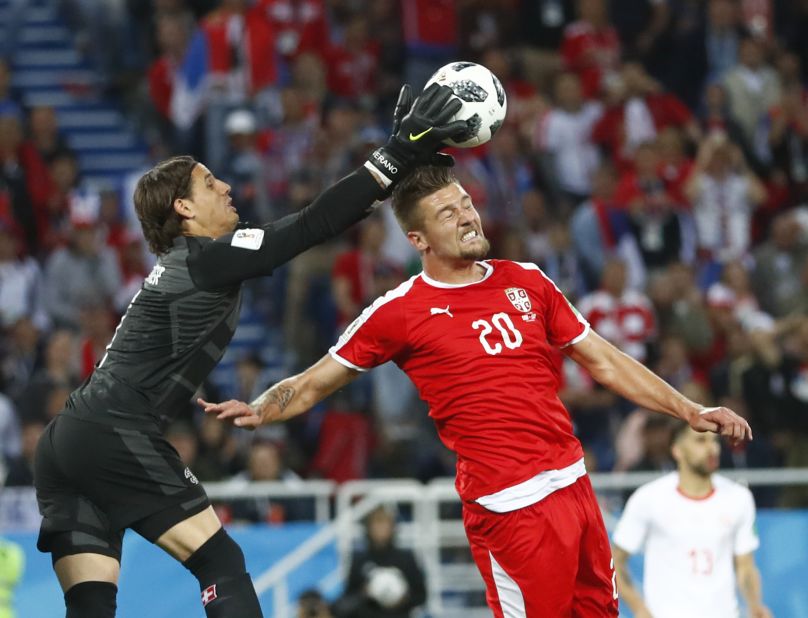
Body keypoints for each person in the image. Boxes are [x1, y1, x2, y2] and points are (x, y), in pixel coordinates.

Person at [200, 165, 753, 617]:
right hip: (510, 508)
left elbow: (604, 361)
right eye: (448, 212)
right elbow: (314, 380)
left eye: (465, 202)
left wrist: (689, 408)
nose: (466, 215)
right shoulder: (398, 312)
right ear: (417, 239)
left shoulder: (527, 280)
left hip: (574, 487)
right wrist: (261, 409)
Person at [32, 83, 469, 618]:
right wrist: (396, 155)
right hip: (113, 430)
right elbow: (312, 225)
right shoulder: (205, 257)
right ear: (185, 208)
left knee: (92, 605)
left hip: (66, 442)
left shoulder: (183, 266)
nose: (228, 188)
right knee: (221, 563)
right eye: (212, 184)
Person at [612, 424, 771, 618]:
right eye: (700, 441)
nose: (712, 448)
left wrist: (755, 604)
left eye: (714, 441)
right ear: (677, 450)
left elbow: (745, 565)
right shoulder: (649, 498)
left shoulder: (739, 498)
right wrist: (639, 609)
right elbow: (616, 563)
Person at [332, 505, 426, 618]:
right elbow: (347, 598)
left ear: (393, 527)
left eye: (385, 524)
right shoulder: (359, 559)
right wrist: (364, 593)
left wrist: (404, 598)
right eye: (376, 523)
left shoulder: (406, 558)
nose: (381, 529)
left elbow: (421, 595)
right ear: (368, 527)